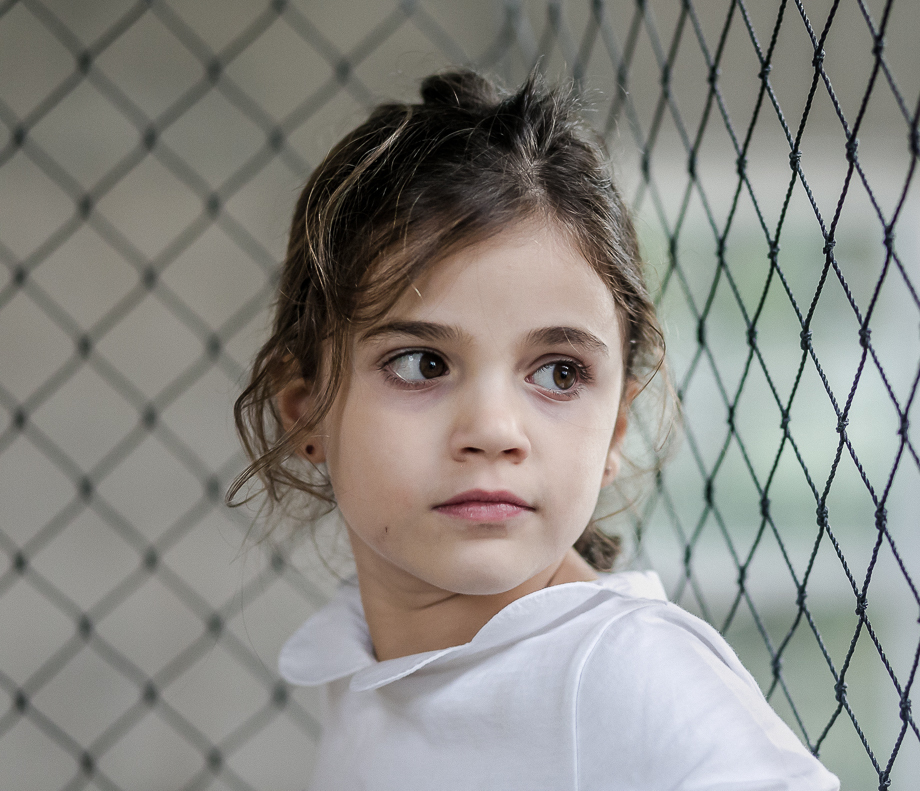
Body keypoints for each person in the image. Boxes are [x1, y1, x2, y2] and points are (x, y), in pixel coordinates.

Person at [228, 68, 839, 790]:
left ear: (614, 432)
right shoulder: (359, 664)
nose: (493, 431)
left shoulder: (625, 673)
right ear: (307, 412)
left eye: (558, 373)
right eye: (422, 364)